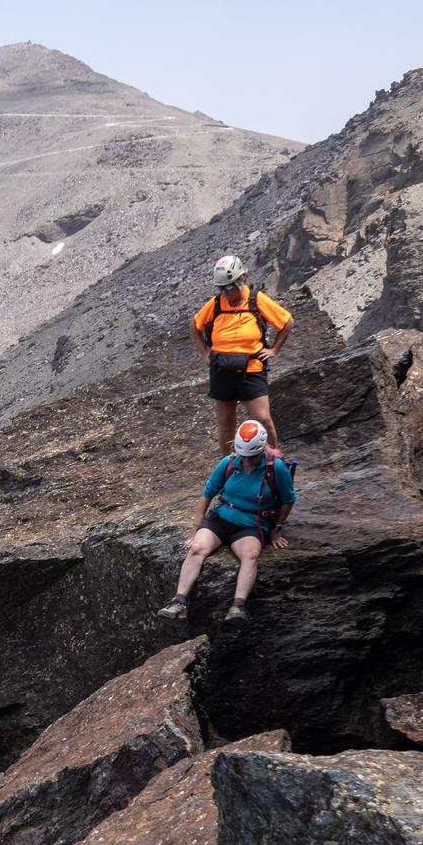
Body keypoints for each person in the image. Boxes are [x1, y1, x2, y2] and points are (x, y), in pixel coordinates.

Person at [157, 419, 295, 623]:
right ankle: (178, 601)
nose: (247, 460)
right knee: (196, 549)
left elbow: (288, 499)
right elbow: (208, 493)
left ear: (261, 451)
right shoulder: (229, 463)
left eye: (252, 456)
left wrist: (276, 528)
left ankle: (237, 606)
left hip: (251, 524)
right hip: (220, 519)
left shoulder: (277, 469)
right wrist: (195, 529)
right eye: (244, 456)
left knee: (251, 555)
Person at [191, 255, 294, 457]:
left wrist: (274, 350)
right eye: (222, 288)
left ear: (242, 279)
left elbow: (287, 322)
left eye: (230, 287)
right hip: (221, 369)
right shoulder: (215, 304)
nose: (227, 293)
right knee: (226, 425)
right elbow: (194, 327)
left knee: (263, 419)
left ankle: (273, 462)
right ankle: (229, 466)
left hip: (252, 369)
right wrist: (204, 353)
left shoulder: (256, 300)